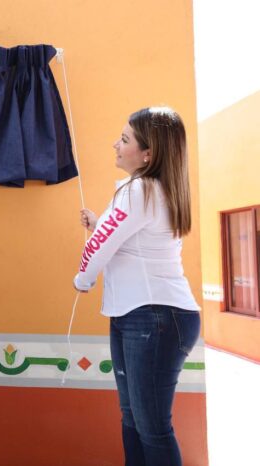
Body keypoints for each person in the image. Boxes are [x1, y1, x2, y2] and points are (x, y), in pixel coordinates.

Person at [73, 107, 200, 466]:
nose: (116, 144)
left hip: (154, 319)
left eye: (125, 139)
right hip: (149, 317)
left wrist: (82, 279)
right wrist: (100, 222)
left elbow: (99, 247)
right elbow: (132, 241)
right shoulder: (153, 190)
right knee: (136, 422)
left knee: (151, 427)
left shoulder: (139, 190)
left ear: (148, 154)